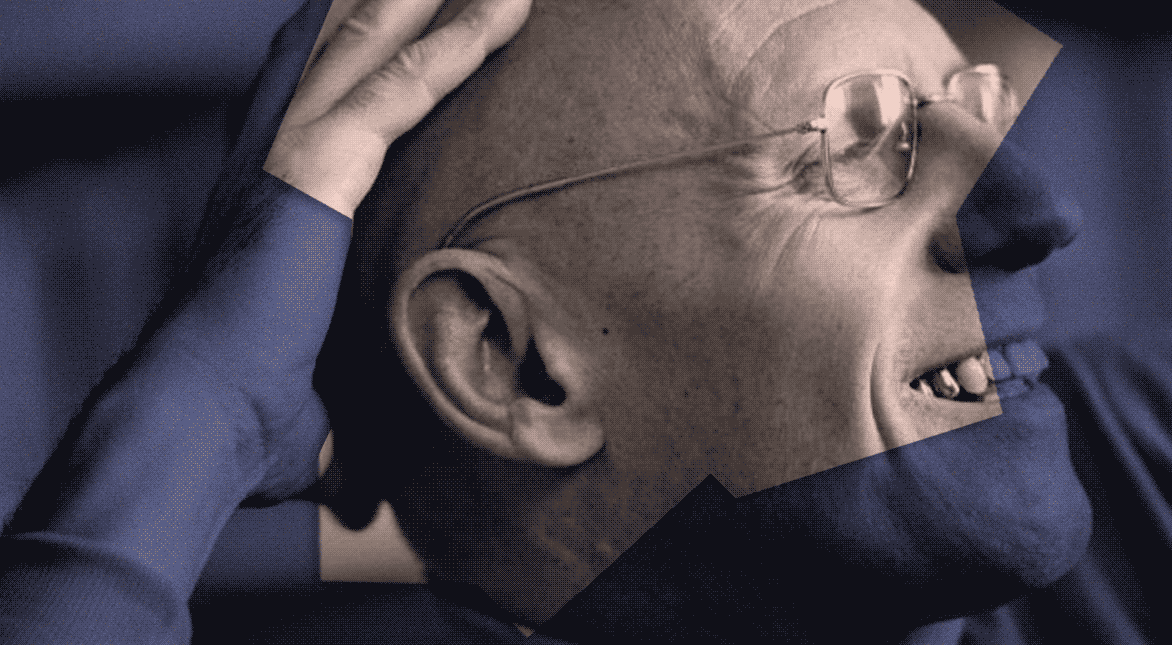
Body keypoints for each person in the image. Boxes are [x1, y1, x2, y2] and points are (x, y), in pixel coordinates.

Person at [0, 0, 1167, 643]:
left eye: (976, 109)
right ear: (514, 364)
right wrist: (197, 411)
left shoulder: (1136, 441)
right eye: (863, 141)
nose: (1036, 213)